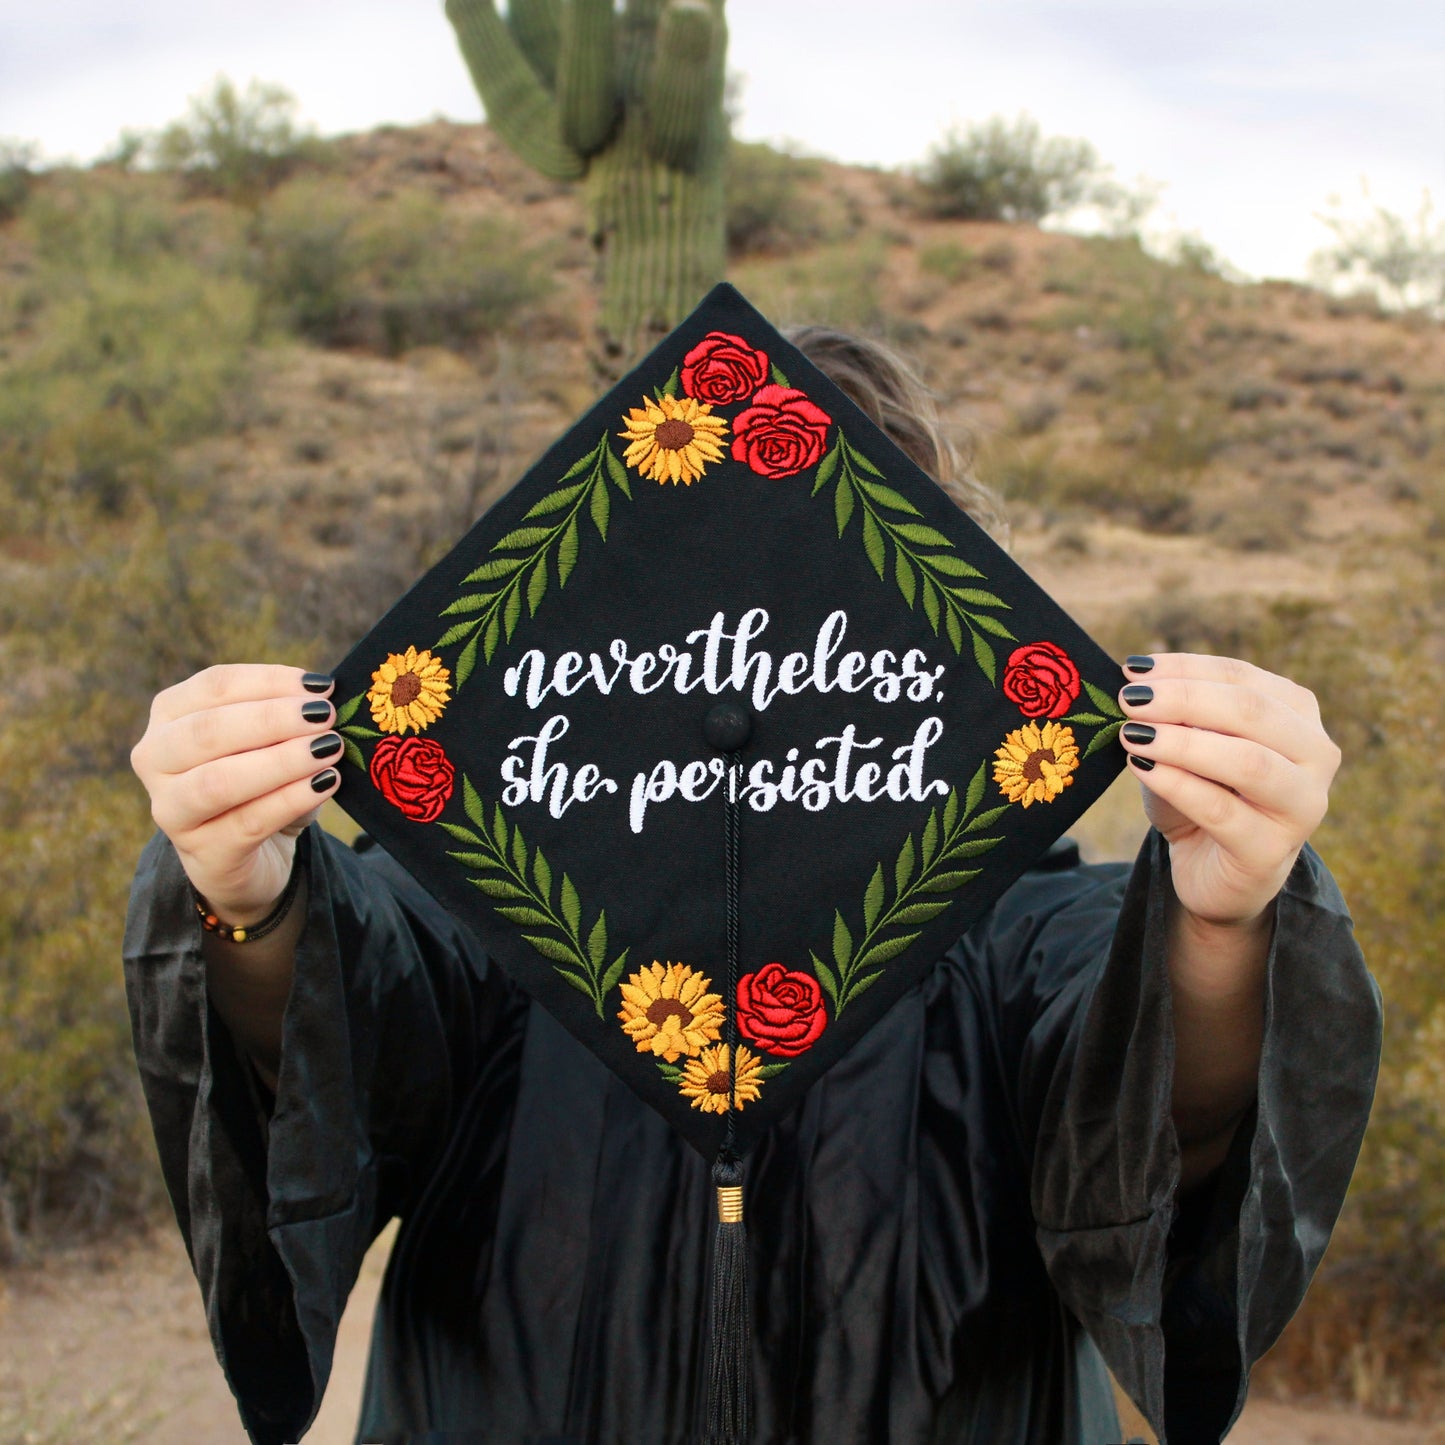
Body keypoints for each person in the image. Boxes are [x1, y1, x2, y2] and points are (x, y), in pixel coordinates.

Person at [124, 330, 1381, 1445]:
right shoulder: (504, 896)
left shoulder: (1004, 917)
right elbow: (357, 988)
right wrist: (251, 891)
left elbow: (1140, 1085)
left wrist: (1218, 916)